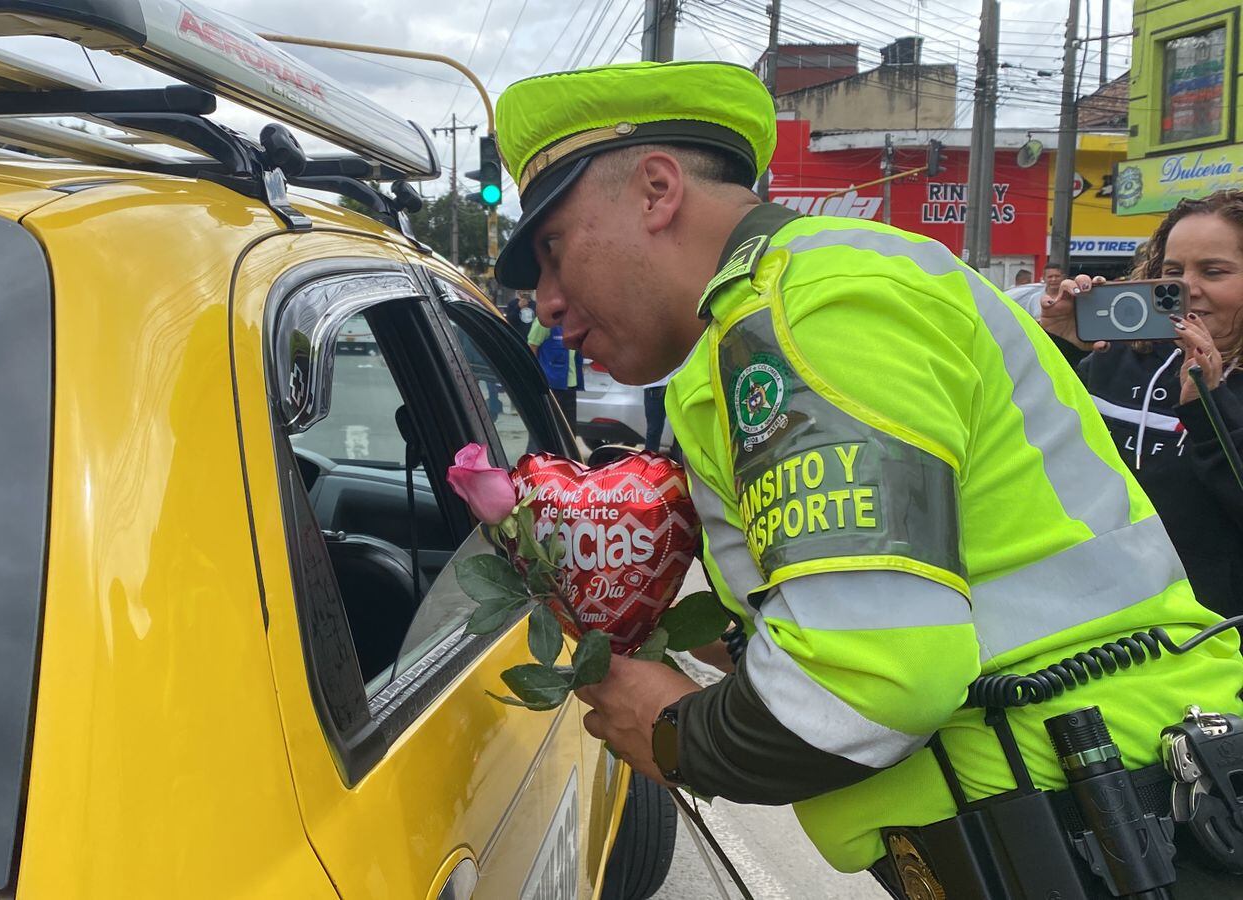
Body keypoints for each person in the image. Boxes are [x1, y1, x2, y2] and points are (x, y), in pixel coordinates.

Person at [490, 60, 1243, 897]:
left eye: (553, 251)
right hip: (1112, 813)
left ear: (657, 189)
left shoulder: (805, 313)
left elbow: (871, 682)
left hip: (1110, 832)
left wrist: (671, 731)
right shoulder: (822, 288)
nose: (547, 301)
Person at [1039, 189, 1243, 618]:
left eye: (1213, 271)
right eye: (1173, 270)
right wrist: (1061, 347)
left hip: (1217, 637)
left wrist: (1210, 406)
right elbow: (1035, 449)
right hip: (1103, 620)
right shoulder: (1116, 357)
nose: (1186, 288)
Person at [527, 317, 582, 426]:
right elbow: (532, 347)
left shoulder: (573, 322)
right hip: (550, 386)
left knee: (568, 429)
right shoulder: (545, 322)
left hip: (570, 385)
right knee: (548, 428)